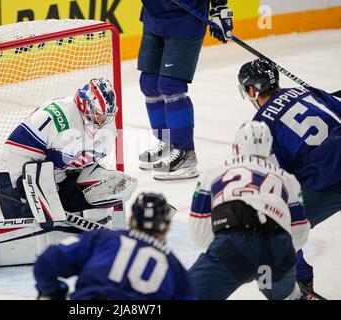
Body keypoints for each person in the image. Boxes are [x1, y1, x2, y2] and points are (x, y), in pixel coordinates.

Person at [0, 78, 138, 271]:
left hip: (58, 175)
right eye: (98, 114)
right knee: (32, 237)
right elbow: (15, 153)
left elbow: (85, 163)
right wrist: (31, 194)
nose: (103, 120)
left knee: (95, 200)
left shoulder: (105, 127)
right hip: (17, 176)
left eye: (106, 115)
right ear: (85, 105)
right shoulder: (59, 119)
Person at [238, 58, 341, 293]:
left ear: (252, 90)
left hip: (330, 179)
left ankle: (301, 286)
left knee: (277, 227)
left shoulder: (262, 125)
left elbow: (279, 186)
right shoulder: (307, 91)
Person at [188, 121, 310, 300]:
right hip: (277, 250)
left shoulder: (213, 174)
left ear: (236, 148)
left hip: (233, 246)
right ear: (269, 151)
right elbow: (299, 234)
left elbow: (198, 232)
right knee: (285, 296)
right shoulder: (288, 179)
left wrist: (239, 256)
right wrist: (262, 263)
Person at [33, 192, 196, 300]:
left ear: (131, 221)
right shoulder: (176, 270)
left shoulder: (102, 239)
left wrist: (52, 291)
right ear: (167, 226)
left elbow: (46, 263)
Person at [137, 0, 234, 180]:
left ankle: (186, 154)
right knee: (149, 83)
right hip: (154, 16)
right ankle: (167, 142)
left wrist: (220, 6)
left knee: (171, 85)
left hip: (185, 19)